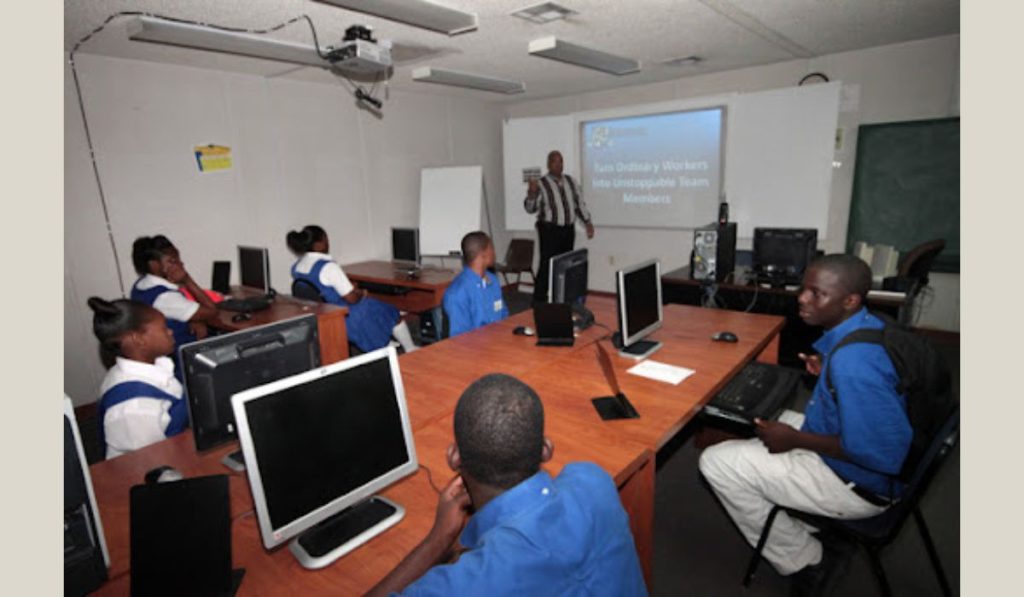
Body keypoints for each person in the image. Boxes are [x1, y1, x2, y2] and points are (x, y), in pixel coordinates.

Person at [699, 254, 912, 595]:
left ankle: (808, 559)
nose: (802, 298)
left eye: (817, 293)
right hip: (845, 448)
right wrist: (827, 367)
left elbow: (882, 455)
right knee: (760, 418)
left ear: (850, 300)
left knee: (715, 463)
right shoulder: (867, 326)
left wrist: (796, 441)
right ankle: (800, 522)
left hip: (861, 483)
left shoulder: (854, 365)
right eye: (804, 288)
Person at [368, 374, 647, 596]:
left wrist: (438, 539)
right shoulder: (593, 480)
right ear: (546, 450)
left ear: (454, 458)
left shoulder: (466, 585)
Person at [286, 225, 418, 353]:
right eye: (325, 239)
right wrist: (361, 292)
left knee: (375, 308)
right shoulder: (328, 267)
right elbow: (352, 299)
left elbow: (318, 289)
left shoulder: (297, 266)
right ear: (318, 244)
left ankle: (385, 343)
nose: (328, 242)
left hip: (321, 314)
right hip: (345, 315)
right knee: (391, 311)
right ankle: (410, 348)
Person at [88, 297, 190, 459]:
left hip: (178, 446)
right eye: (164, 328)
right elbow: (148, 464)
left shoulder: (152, 367)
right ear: (138, 339)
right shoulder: (135, 407)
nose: (170, 331)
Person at [130, 235, 221, 373]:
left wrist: (193, 320)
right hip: (183, 360)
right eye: (173, 261)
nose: (181, 264)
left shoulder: (142, 285)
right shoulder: (165, 297)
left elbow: (173, 313)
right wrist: (186, 279)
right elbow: (212, 311)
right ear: (154, 265)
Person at [524, 150, 595, 304]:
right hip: (549, 231)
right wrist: (531, 193)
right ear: (549, 164)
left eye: (561, 161)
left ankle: (563, 299)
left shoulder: (571, 182)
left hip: (568, 231)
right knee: (546, 266)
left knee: (567, 266)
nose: (559, 164)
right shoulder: (541, 183)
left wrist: (587, 222)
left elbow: (579, 204)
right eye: (555, 161)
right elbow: (530, 208)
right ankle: (538, 302)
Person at [442, 232, 508, 337]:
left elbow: (504, 315)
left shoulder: (493, 280)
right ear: (484, 254)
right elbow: (460, 340)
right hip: (474, 349)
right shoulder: (457, 293)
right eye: (491, 248)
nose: (494, 253)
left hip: (497, 340)